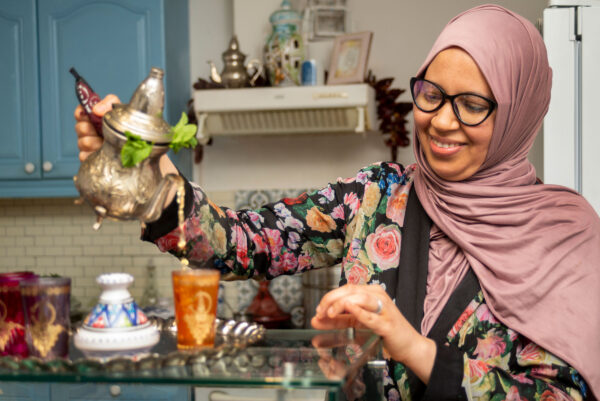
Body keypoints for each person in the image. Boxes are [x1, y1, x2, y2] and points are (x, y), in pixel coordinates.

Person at [75, 5, 600, 400]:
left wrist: (410, 346)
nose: (441, 121)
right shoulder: (375, 195)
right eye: (432, 94)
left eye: (472, 105)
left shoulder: (565, 235)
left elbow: (563, 395)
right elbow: (241, 243)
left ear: (517, 115)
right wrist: (143, 169)